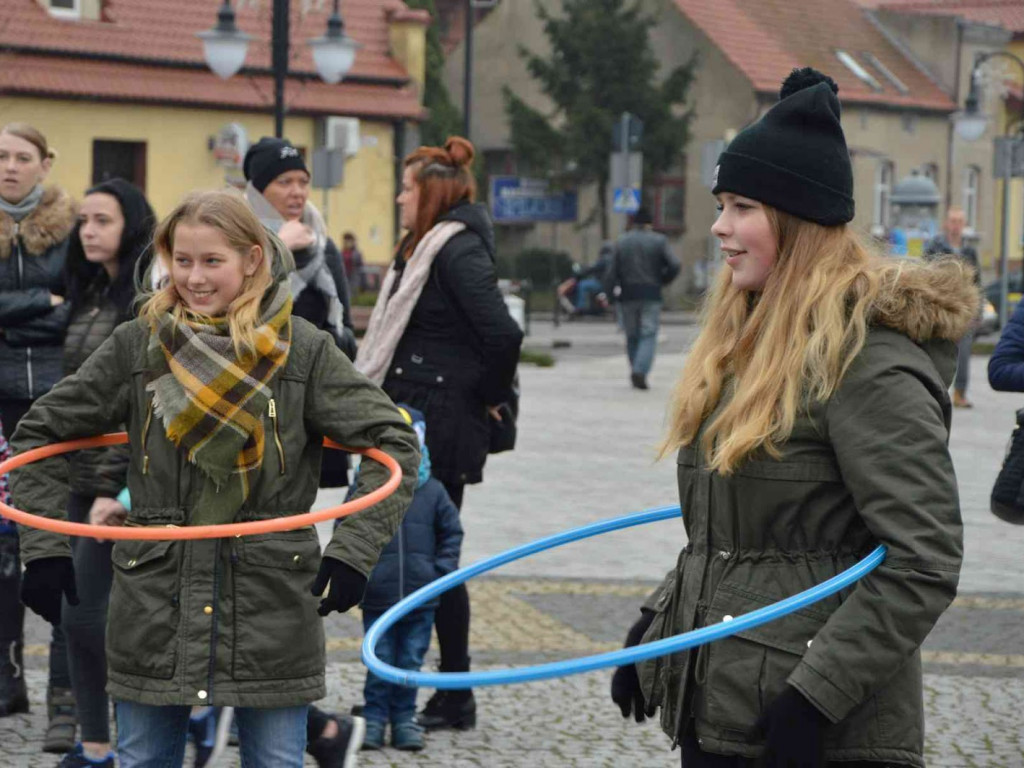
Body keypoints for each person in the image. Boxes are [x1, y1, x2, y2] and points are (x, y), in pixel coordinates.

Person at [608, 68, 969, 768]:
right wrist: (657, 623)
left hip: (818, 731)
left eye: (742, 206)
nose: (720, 226)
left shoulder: (867, 361)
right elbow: (738, 536)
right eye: (721, 205)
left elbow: (924, 558)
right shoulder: (749, 348)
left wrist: (815, 698)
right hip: (725, 706)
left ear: (798, 222)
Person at [11, 189, 420, 768]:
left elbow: (394, 441)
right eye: (182, 261)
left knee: (274, 761)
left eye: (211, 261)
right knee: (143, 760)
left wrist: (353, 550)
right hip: (155, 605)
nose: (194, 278)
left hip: (271, 605)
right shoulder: (139, 345)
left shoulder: (302, 351)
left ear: (251, 260)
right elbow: (38, 434)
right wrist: (45, 547)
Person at [356, 136, 523, 731]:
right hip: (416, 413)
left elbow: (503, 334)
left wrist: (487, 397)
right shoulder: (427, 246)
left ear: (430, 194)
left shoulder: (455, 249)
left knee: (428, 557)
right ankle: (422, 689)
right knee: (411, 554)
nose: (400, 199)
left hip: (439, 425)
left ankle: (453, 690)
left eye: (407, 190)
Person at [55, 178, 155, 768]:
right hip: (77, 476)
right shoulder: (90, 290)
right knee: (81, 616)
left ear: (131, 226)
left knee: (91, 616)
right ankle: (96, 745)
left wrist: (116, 488)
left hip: (119, 485)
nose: (88, 231)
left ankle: (120, 742)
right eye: (83, 220)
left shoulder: (145, 302)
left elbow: (137, 405)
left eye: (103, 221)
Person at [0, 122, 78, 753]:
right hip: (1, 399)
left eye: (22, 157)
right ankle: (7, 676)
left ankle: (66, 693)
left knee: (58, 538)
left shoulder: (73, 229)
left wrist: (18, 312)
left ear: (44, 164)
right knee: (3, 542)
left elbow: (77, 308)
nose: (9, 166)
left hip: (57, 395)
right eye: (0, 156)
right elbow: (52, 306)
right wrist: (39, 303)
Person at [243, 137, 357, 496]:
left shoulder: (322, 246)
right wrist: (280, 248)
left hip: (307, 399)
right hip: (250, 394)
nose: (297, 192)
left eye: (303, 181)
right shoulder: (233, 241)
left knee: (297, 503)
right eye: (284, 182)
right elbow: (235, 310)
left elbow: (345, 326)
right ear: (259, 190)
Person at [358, 404, 462, 752]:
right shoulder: (367, 490)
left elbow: (452, 533)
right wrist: (363, 572)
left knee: (409, 662)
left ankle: (404, 720)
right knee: (379, 661)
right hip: (378, 597)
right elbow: (349, 531)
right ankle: (374, 719)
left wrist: (439, 573)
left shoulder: (433, 492)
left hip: (420, 599)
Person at [600, 206, 681, 390]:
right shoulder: (659, 240)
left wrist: (610, 295)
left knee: (632, 335)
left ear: (633, 223)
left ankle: (635, 368)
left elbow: (611, 272)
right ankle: (640, 370)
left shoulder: (622, 241)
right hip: (651, 293)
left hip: (628, 294)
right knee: (648, 333)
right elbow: (675, 265)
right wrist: (663, 280)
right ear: (649, 223)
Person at [924, 207, 981, 408]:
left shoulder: (969, 251)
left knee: (963, 355)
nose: (956, 225)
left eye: (959, 221)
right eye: (953, 221)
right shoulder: (934, 247)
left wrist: (977, 313)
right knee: (937, 352)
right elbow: (924, 276)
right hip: (942, 309)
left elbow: (977, 283)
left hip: (964, 311)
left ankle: (960, 394)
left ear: (964, 225)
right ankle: (935, 393)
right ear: (946, 223)